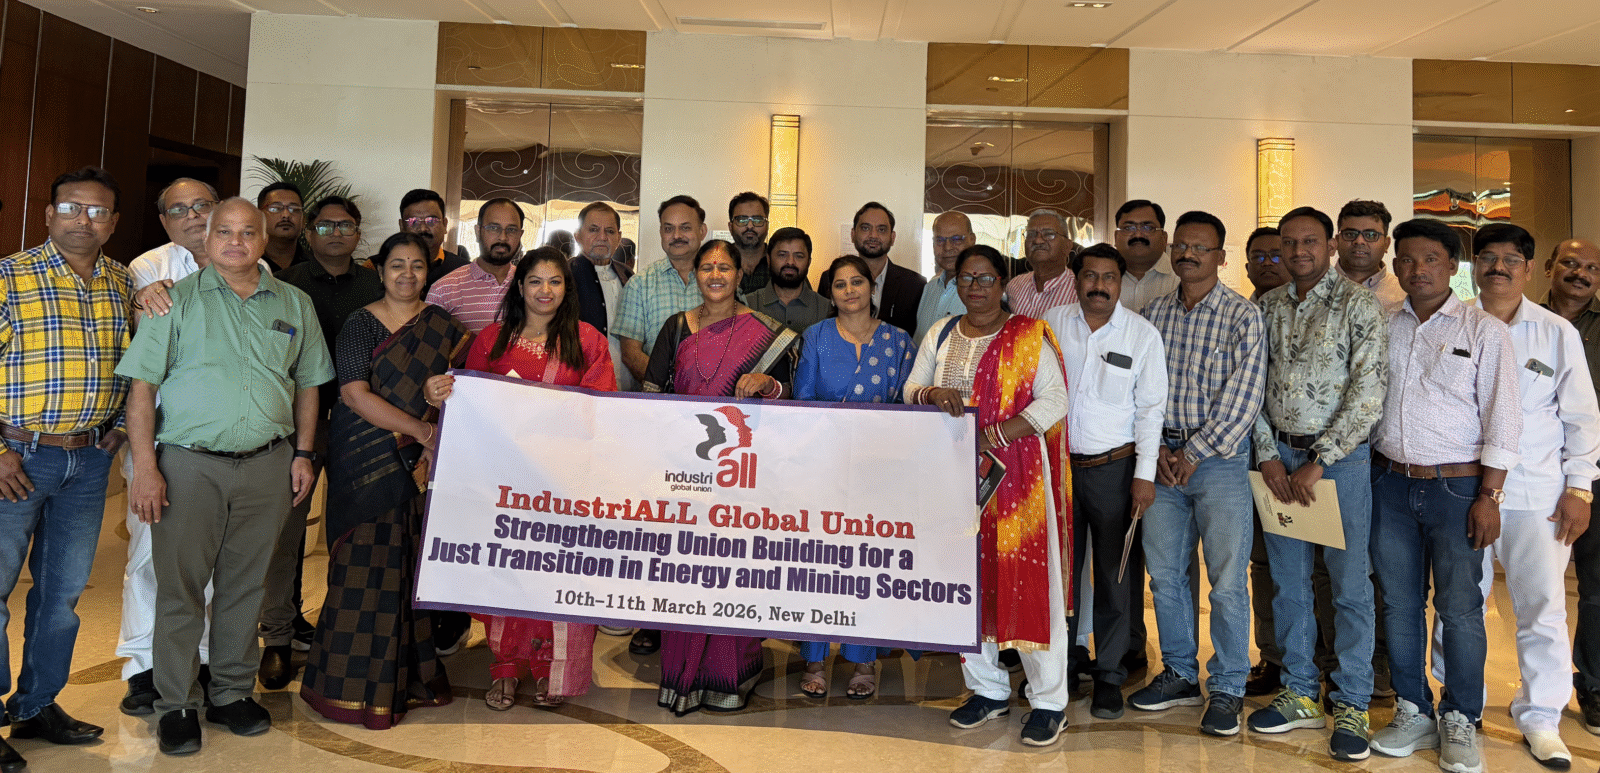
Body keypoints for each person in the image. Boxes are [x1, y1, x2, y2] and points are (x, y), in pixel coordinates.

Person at [117, 197, 332, 755]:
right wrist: (145, 469)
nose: (236, 242)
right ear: (206, 240)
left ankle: (233, 692)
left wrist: (303, 453)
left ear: (265, 240)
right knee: (182, 590)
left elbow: (309, 383)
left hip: (268, 464)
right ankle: (177, 703)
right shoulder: (172, 304)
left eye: (248, 232)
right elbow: (140, 392)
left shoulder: (295, 303)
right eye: (224, 232)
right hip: (188, 464)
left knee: (246, 588)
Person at [426, 247, 617, 712]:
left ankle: (554, 672)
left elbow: (604, 408)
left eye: (555, 281)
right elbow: (468, 403)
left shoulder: (587, 340)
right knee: (507, 573)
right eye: (535, 281)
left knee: (558, 574)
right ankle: (506, 670)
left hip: (564, 485)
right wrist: (440, 393)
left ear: (567, 289)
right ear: (520, 286)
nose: (545, 291)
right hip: (503, 483)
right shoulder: (493, 338)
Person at [1438, 223, 1595, 769]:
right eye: (1487, 258)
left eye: (1510, 259)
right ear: (1472, 267)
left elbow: (1581, 417)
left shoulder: (1554, 333)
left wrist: (1581, 487)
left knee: (1542, 606)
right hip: (1460, 487)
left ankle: (1542, 717)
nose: (1498, 267)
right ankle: (1462, 704)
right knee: (1460, 603)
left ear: (1530, 270)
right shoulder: (1451, 323)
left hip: (1537, 491)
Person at [1366, 218, 1521, 773]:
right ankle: (1412, 708)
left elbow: (1504, 419)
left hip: (1458, 488)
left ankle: (1461, 716)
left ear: (1452, 266)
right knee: (1399, 602)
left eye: (1429, 259)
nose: (1415, 270)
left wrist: (1490, 496)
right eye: (1405, 260)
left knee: (1459, 609)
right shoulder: (1384, 323)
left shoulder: (1484, 331)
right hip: (1388, 483)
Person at [298, 232, 470, 729]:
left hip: (417, 462)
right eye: (398, 265)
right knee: (358, 567)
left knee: (404, 567)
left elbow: (461, 392)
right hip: (364, 457)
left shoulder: (444, 327)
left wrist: (442, 396)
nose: (407, 275)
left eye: (417, 266)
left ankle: (406, 677)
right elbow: (352, 394)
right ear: (380, 269)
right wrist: (420, 427)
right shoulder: (361, 322)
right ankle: (343, 685)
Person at [908, 244, 1072, 747]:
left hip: (1019, 480)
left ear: (1003, 284)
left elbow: (1056, 399)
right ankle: (986, 689)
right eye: (966, 278)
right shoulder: (940, 333)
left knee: (1028, 578)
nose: (975, 287)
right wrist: (933, 394)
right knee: (967, 581)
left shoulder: (1027, 335)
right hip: (954, 479)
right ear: (955, 284)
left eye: (985, 278)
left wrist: (997, 435)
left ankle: (1049, 701)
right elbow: (911, 389)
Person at [0, 167, 134, 771]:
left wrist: (122, 432)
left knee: (62, 595)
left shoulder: (122, 281)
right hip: (17, 456)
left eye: (99, 211)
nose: (86, 219)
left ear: (113, 221)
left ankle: (36, 705)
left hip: (88, 462)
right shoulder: (9, 275)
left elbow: (140, 367)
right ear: (49, 212)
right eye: (73, 208)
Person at [1247, 207, 1388, 762]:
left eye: (1310, 241)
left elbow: (1369, 393)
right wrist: (1268, 456)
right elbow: (1249, 388)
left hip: (1340, 464)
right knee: (1289, 582)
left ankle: (1351, 699)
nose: (1298, 250)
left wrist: (1320, 459)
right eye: (1289, 242)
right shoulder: (1267, 307)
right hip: (1277, 461)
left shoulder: (1359, 305)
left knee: (1350, 586)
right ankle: (1300, 691)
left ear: (1330, 246)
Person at [640, 239, 797, 715]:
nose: (714, 275)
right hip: (682, 473)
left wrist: (769, 385)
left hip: (742, 475)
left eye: (723, 268)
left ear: (737, 275)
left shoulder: (770, 332)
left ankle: (731, 675)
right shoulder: (676, 326)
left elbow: (792, 402)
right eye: (706, 267)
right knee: (685, 572)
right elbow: (652, 395)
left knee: (733, 570)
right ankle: (681, 676)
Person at [1129, 210, 1267, 738]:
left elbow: (1244, 398)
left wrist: (1194, 451)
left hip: (1221, 465)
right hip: (1161, 461)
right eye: (1181, 247)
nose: (1188, 255)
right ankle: (1181, 673)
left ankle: (1229, 684)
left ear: (1221, 257)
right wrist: (1158, 452)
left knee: (1226, 580)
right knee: (1164, 575)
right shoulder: (1153, 314)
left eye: (1200, 248)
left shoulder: (1241, 317)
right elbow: (1142, 389)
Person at [116, 177, 230, 715]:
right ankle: (141, 666)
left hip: (220, 442)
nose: (192, 217)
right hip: (160, 437)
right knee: (149, 556)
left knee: (206, 559)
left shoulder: (251, 263)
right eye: (178, 210)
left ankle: (200, 660)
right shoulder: (147, 270)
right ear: (164, 221)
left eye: (201, 206)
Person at [261, 195, 384, 689]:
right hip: (298, 426)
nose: (336, 233)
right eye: (326, 225)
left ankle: (353, 627)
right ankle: (277, 635)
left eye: (346, 226)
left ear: (358, 234)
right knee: (286, 533)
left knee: (358, 529)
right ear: (310, 233)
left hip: (364, 424)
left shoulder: (376, 283)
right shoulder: (284, 285)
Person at [1041, 242, 1166, 721]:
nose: (1098, 285)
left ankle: (1110, 674)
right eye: (1089, 276)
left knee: (1116, 577)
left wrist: (1143, 477)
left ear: (1120, 281)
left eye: (1108, 277)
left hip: (1115, 469)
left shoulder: (1141, 335)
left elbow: (1151, 411)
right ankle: (1064, 665)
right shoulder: (1049, 324)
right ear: (1075, 280)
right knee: (1061, 573)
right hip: (1056, 469)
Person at [790, 254, 917, 699]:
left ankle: (863, 658)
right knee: (819, 563)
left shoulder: (899, 341)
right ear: (831, 293)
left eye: (857, 282)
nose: (849, 290)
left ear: (871, 288)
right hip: (823, 466)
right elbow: (803, 400)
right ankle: (814, 654)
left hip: (879, 470)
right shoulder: (816, 336)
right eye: (840, 284)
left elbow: (909, 407)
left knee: (866, 563)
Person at [1540, 237, 1600, 736]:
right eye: (1571, 263)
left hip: (1593, 474)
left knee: (1597, 588)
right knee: (1542, 593)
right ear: (1548, 268)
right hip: (1535, 476)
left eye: (1591, 268)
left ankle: (1594, 685)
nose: (1580, 274)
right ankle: (1538, 693)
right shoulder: (1525, 322)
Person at [1243, 224, 1288, 698]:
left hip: (1309, 458)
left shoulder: (1305, 310)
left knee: (1315, 567)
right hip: (1251, 461)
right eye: (1259, 256)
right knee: (1263, 563)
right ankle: (1272, 657)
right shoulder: (1241, 311)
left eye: (1277, 254)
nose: (1268, 263)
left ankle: (1318, 661)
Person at [615, 195, 707, 388]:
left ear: (702, 231)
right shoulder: (639, 285)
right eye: (668, 228)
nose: (676, 235)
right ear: (661, 233)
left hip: (711, 398)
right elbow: (631, 354)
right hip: (656, 403)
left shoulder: (720, 282)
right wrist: (671, 388)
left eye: (685, 227)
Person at [818, 203, 926, 336]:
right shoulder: (830, 278)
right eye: (865, 228)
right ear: (852, 234)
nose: (873, 235)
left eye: (881, 230)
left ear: (892, 237)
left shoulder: (914, 284)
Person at [428, 197, 525, 334]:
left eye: (511, 230)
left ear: (520, 235)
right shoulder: (443, 290)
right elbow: (429, 348)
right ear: (477, 232)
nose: (502, 237)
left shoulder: (529, 285)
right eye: (493, 228)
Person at [569, 201, 635, 390]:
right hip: (582, 388)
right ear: (578, 235)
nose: (602, 237)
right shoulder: (563, 276)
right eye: (593, 230)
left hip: (628, 386)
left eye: (610, 231)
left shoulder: (629, 276)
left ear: (619, 237)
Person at [745, 227, 830, 333]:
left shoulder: (826, 309)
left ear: (809, 262)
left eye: (799, 256)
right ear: (768, 259)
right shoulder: (747, 305)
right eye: (782, 255)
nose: (790, 262)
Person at [1004, 209, 1078, 318]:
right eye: (1031, 234)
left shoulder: (1079, 290)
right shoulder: (1014, 286)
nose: (1038, 241)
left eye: (1049, 234)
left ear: (1067, 246)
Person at [1334, 200, 1405, 311]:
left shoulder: (1403, 295)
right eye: (1350, 234)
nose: (1359, 241)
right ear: (1336, 241)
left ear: (1386, 244)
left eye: (1371, 235)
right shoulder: (1312, 288)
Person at [916, 211, 975, 340]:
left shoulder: (981, 290)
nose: (947, 247)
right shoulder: (929, 288)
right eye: (940, 240)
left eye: (956, 239)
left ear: (972, 240)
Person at [397, 188, 469, 295]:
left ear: (445, 225)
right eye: (413, 221)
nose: (423, 229)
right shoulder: (376, 267)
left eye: (432, 220)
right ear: (402, 226)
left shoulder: (465, 271)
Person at [1114, 200, 1179, 312]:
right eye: (1128, 228)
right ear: (1116, 237)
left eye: (1148, 228)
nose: (1138, 234)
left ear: (1164, 238)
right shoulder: (1101, 279)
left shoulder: (1181, 279)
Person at [258, 181, 310, 271]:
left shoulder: (316, 263)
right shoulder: (247, 261)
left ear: (303, 221)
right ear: (258, 217)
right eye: (275, 208)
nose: (286, 215)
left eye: (294, 209)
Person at [728, 191, 771, 295]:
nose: (750, 226)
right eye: (742, 220)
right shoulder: (717, 262)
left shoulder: (780, 261)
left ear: (767, 225)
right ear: (730, 226)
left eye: (757, 220)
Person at [1243, 227, 1288, 301]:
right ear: (1247, 268)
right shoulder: (1237, 310)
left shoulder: (1309, 310)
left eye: (1276, 256)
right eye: (1258, 257)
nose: (1267, 263)